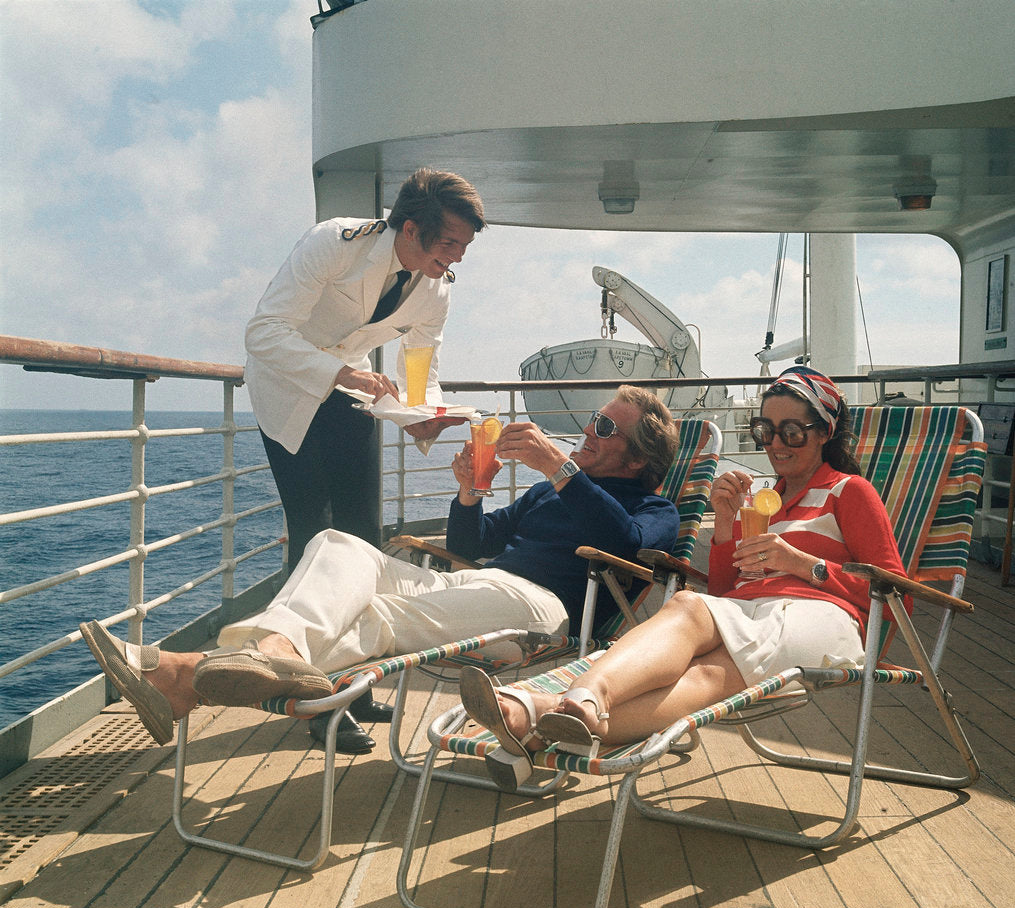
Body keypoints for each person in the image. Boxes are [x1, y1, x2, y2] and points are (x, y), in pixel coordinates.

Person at [80, 386, 682, 755]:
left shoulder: (654, 510)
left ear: (639, 456)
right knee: (341, 544)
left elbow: (625, 543)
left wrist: (559, 468)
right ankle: (273, 647)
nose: (587, 430)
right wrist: (471, 494)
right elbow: (476, 543)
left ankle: (186, 673)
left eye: (605, 426)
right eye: (593, 420)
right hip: (472, 587)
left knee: (378, 617)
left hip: (541, 613)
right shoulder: (552, 495)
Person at [456, 366, 909, 792]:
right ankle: (575, 708)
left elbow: (896, 597)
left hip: (827, 622)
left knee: (711, 672)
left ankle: (541, 710)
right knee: (689, 607)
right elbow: (730, 593)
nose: (776, 443)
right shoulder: (765, 499)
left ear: (825, 432)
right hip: (753, 613)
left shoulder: (850, 491)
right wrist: (728, 523)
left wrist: (804, 566)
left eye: (791, 431)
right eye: (765, 431)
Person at [245, 167, 485, 734]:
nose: (457, 257)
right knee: (313, 539)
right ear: (409, 228)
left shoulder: (437, 284)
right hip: (289, 389)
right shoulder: (333, 243)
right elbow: (264, 332)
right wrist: (344, 375)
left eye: (464, 246)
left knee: (361, 542)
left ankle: (352, 689)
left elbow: (422, 366)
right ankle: (308, 700)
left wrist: (424, 418)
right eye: (449, 242)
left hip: (356, 397)